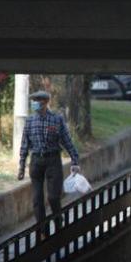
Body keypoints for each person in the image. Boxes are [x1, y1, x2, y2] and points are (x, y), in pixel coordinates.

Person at [17, 89, 82, 230]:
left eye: (38, 101)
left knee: (53, 197)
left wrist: (75, 160)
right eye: (33, 101)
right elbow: (24, 144)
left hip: (53, 161)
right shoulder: (29, 121)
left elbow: (67, 141)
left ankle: (58, 223)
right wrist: (21, 166)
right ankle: (42, 230)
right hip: (36, 162)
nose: (34, 103)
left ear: (46, 102)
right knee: (37, 200)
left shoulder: (56, 120)